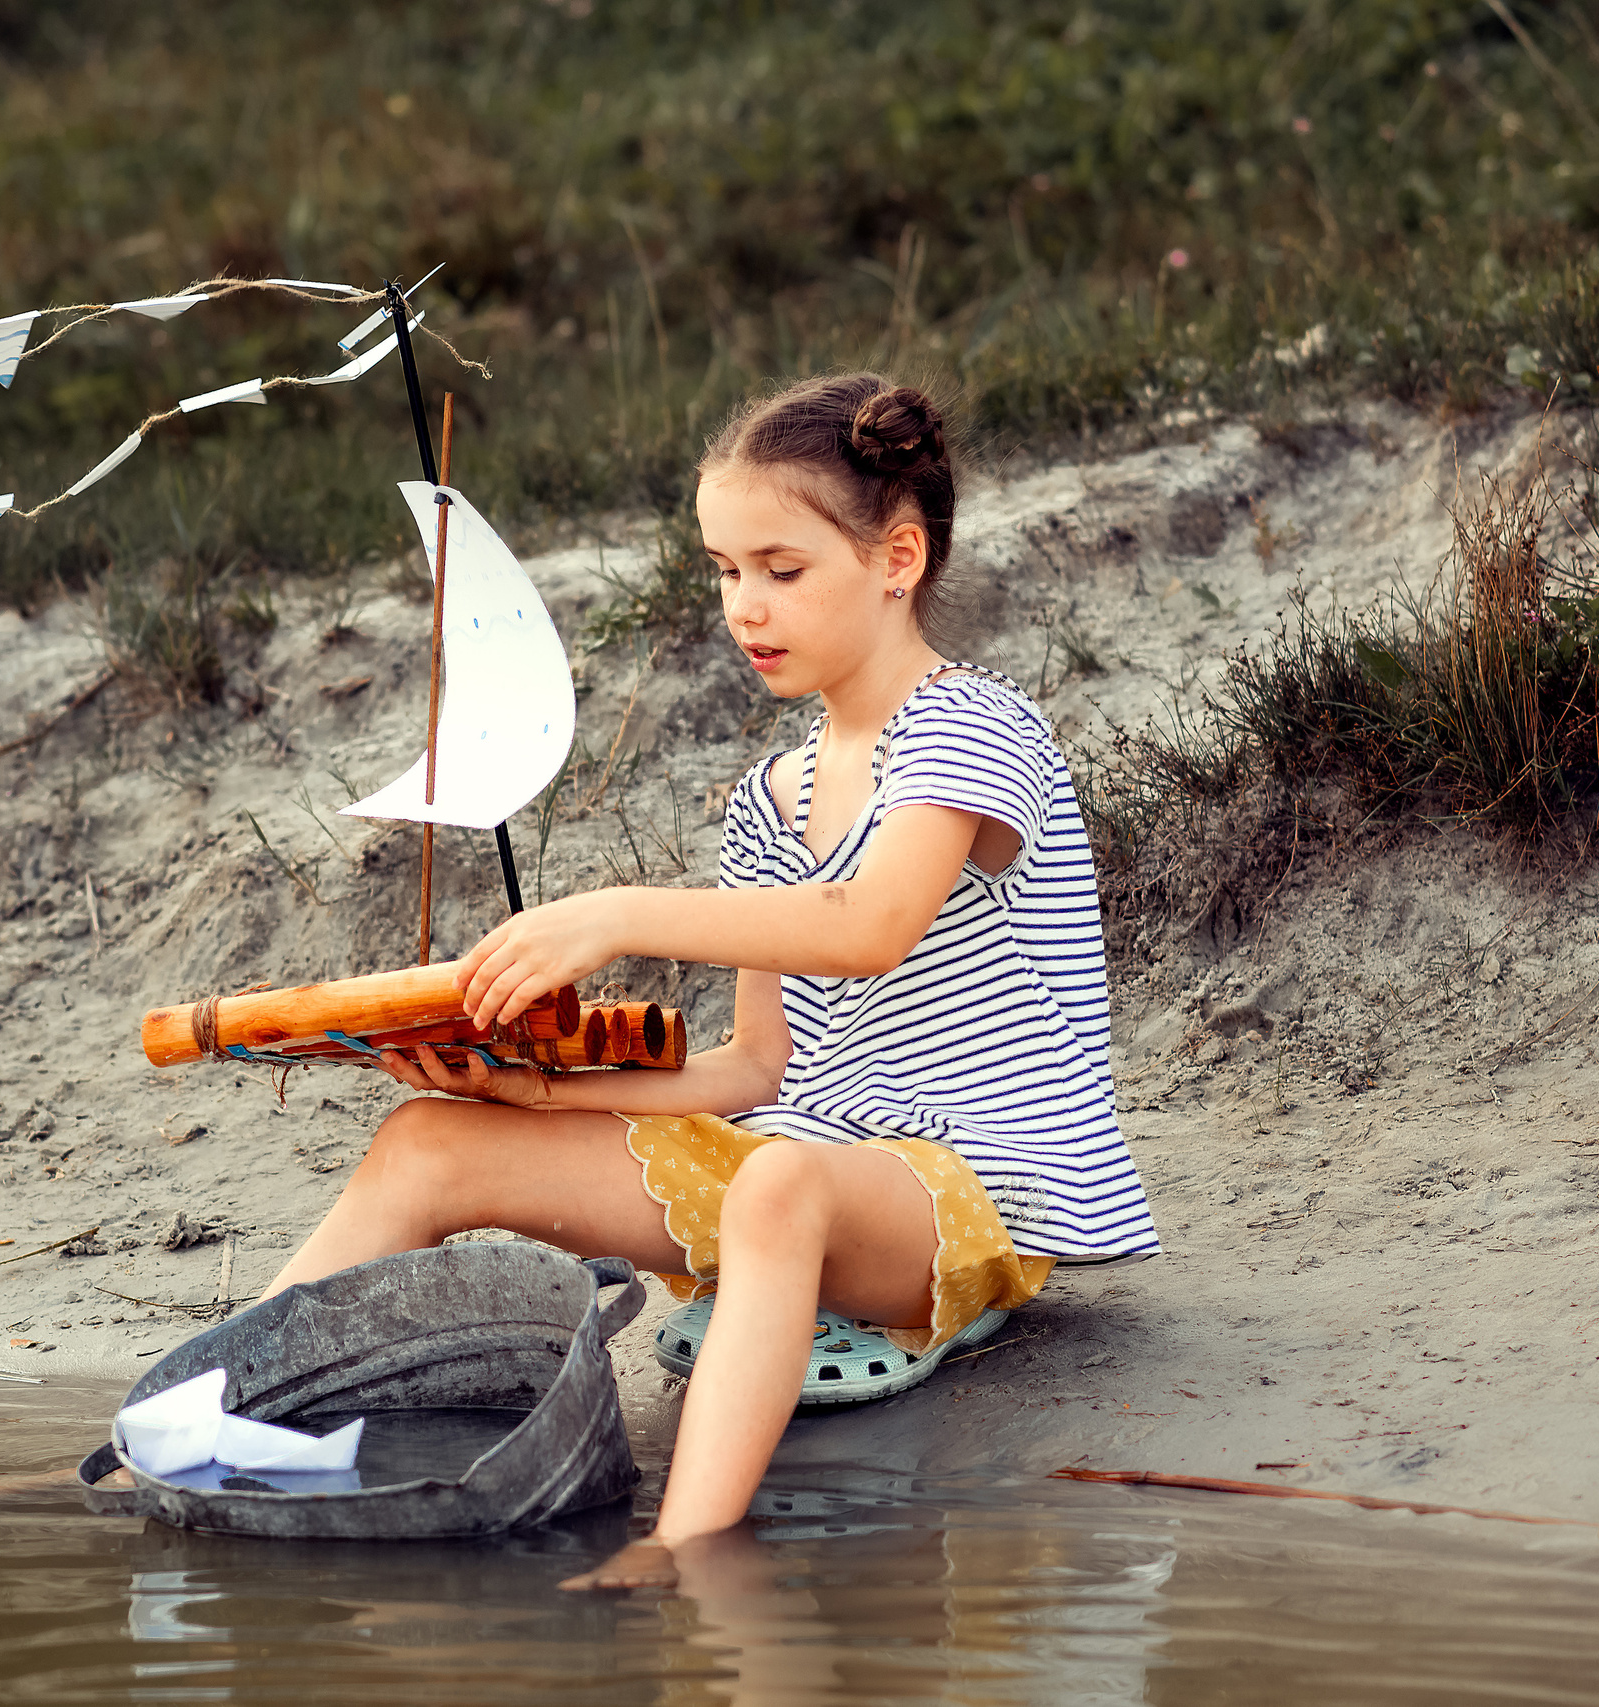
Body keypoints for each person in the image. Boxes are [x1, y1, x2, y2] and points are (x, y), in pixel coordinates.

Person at [256, 372, 1161, 1590]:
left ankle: (685, 1548)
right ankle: (195, 1425)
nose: (745, 606)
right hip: (800, 1155)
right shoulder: (765, 801)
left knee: (779, 1180)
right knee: (429, 1140)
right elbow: (755, 1068)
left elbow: (870, 925)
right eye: (725, 571)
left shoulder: (972, 727)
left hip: (973, 1179)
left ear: (897, 558)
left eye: (781, 570)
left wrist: (615, 913)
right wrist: (530, 1099)